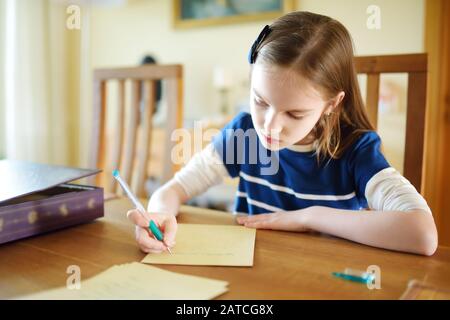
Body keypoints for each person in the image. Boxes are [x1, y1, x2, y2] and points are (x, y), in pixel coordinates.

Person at [127, 11, 438, 256]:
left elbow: (422, 234)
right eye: (260, 101)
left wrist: (309, 217)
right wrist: (159, 215)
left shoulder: (355, 150)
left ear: (331, 103)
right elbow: (173, 189)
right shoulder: (244, 134)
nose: (270, 126)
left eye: (295, 113)